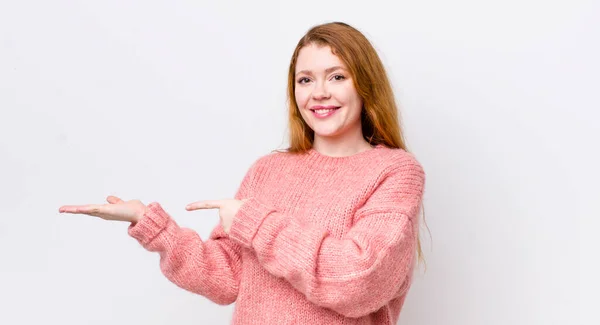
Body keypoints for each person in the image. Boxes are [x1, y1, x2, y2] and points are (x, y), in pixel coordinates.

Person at [59, 21, 426, 325]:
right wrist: (154, 227)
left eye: (336, 77)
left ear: (365, 84)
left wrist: (257, 223)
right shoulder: (268, 170)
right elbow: (228, 279)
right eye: (305, 80)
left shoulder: (394, 171)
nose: (319, 93)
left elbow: (358, 281)